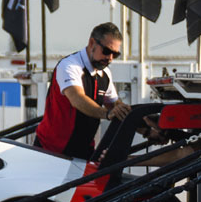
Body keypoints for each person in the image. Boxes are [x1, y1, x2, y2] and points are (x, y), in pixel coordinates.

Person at [34, 22, 132, 160]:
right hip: (51, 150)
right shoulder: (69, 66)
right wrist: (108, 114)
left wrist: (147, 128)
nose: (110, 58)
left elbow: (117, 107)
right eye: (107, 51)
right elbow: (77, 99)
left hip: (83, 151)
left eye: (115, 54)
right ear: (92, 43)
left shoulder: (105, 73)